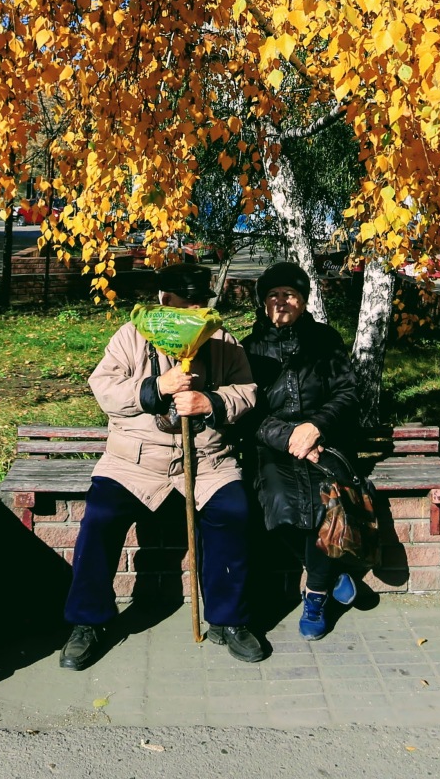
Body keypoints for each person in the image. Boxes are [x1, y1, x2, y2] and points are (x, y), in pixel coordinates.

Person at [59, 265, 267, 669]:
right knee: (99, 516)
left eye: (199, 304)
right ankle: (89, 621)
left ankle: (229, 620)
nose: (193, 312)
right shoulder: (130, 336)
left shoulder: (222, 340)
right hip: (134, 462)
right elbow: (104, 389)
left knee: (233, 511)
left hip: (206, 460)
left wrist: (212, 402)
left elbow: (247, 391)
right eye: (184, 304)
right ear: (163, 300)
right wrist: (157, 387)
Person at [244, 261, 363, 640]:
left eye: (290, 294)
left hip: (325, 442)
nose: (282, 301)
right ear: (263, 303)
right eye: (273, 295)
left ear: (304, 301)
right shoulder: (248, 348)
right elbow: (247, 411)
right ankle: (332, 570)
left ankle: (316, 596)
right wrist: (289, 438)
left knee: (329, 504)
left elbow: (348, 393)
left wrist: (315, 428)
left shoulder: (325, 340)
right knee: (278, 505)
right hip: (273, 446)